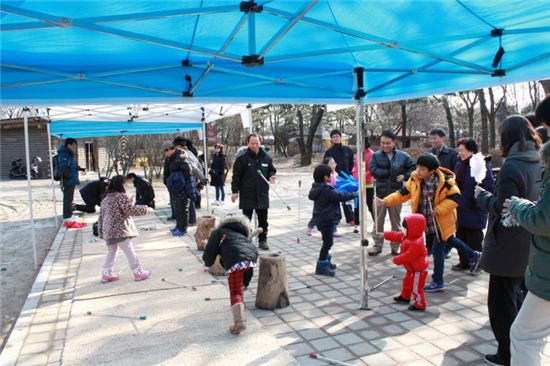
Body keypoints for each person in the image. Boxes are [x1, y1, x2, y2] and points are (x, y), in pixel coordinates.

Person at [474, 115, 542, 366]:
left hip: (507, 244)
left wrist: (482, 197)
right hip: (528, 240)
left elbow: (505, 207)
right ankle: (519, 349)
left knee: (501, 304)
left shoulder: (512, 165)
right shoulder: (538, 159)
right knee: (516, 297)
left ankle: (507, 354)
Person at [378, 153, 482, 292]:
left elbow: (455, 198)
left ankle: (438, 281)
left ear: (432, 170)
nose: (418, 171)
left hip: (441, 221)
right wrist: (386, 201)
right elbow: (402, 194)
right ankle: (474, 255)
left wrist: (438, 210)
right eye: (418, 167)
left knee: (438, 250)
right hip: (425, 221)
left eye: (422, 169)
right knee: (449, 240)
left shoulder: (445, 181)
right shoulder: (415, 179)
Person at [504, 140, 550, 366]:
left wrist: (518, 206)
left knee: (524, 336)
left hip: (547, 275)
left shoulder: (512, 166)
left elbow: (544, 220)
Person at [202, 216, 261, 334]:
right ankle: (241, 305)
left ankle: (240, 322)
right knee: (241, 284)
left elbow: (210, 249)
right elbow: (244, 250)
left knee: (235, 292)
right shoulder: (242, 233)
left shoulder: (219, 231)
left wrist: (207, 262)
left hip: (235, 261)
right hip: (251, 258)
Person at [97, 175, 153, 283]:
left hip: (109, 231)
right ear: (120, 185)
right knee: (130, 251)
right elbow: (129, 210)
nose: (127, 187)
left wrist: (101, 232)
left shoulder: (106, 199)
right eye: (125, 185)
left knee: (112, 252)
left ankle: (106, 273)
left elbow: (101, 217)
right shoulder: (121, 196)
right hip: (120, 230)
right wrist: (146, 209)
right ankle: (138, 271)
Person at [369, 130, 415, 256]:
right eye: (382, 143)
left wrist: (405, 176)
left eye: (388, 143)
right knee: (378, 222)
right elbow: (373, 170)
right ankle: (377, 245)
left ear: (394, 142)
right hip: (379, 194)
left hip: (396, 194)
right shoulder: (376, 156)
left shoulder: (403, 156)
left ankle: (396, 246)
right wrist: (389, 173)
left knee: (396, 222)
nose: (385, 145)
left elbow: (413, 168)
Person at [452, 138, 495, 271]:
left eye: (462, 151)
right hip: (460, 207)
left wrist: (477, 199)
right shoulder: (459, 165)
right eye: (459, 151)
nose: (460, 153)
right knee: (460, 236)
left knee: (474, 238)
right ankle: (464, 261)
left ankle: (477, 263)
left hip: (474, 209)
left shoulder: (481, 164)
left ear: (471, 150)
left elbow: (489, 186)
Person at [308, 164, 358, 276]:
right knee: (328, 242)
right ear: (325, 177)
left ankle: (326, 262)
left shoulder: (317, 187)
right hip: (327, 219)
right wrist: (354, 194)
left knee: (327, 241)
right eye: (330, 173)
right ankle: (321, 265)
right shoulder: (326, 189)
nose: (332, 175)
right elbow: (340, 196)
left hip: (321, 218)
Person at [231, 133, 277, 250]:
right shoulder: (242, 158)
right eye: (252, 143)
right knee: (246, 220)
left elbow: (271, 170)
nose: (255, 145)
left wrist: (272, 176)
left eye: (257, 143)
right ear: (248, 143)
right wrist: (234, 191)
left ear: (260, 143)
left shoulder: (266, 157)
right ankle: (246, 239)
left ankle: (263, 240)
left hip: (262, 194)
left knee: (263, 219)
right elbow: (236, 177)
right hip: (247, 194)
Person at [385, 214, 429, 311]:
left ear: (414, 229)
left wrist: (396, 259)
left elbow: (408, 256)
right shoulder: (408, 236)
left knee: (416, 288)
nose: (403, 230)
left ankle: (420, 304)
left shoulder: (418, 243)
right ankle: (405, 297)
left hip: (418, 271)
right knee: (407, 282)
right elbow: (396, 235)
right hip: (412, 269)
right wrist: (384, 234)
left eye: (405, 228)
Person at [324, 129, 355, 224]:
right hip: (335, 179)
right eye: (333, 137)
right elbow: (326, 165)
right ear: (331, 139)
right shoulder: (329, 152)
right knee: (335, 199)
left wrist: (350, 173)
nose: (336, 138)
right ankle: (334, 219)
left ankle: (350, 218)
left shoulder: (348, 150)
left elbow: (352, 163)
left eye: (337, 136)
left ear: (340, 137)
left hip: (346, 178)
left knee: (347, 198)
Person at [173, 136, 206, 226]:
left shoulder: (183, 153)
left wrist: (201, 179)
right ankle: (191, 221)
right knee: (189, 201)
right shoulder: (190, 152)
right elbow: (199, 165)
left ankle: (191, 221)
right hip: (191, 180)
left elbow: (195, 167)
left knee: (188, 202)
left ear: (178, 145)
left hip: (187, 180)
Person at [163, 140, 193, 237]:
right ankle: (178, 226)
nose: (164, 154)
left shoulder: (180, 157)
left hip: (183, 188)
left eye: (164, 151)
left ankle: (183, 228)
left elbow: (188, 172)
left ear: (168, 149)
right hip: (176, 188)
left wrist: (180, 181)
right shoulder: (172, 158)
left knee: (183, 208)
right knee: (178, 208)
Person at [306, 157, 339, 236]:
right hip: (324, 198)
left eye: (334, 163)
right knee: (318, 216)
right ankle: (310, 226)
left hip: (331, 196)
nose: (333, 165)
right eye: (331, 164)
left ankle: (334, 230)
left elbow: (337, 184)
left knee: (332, 214)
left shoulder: (335, 174)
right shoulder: (323, 175)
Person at [57, 137, 86, 224]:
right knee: (67, 198)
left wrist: (81, 169)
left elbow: (72, 166)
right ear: (68, 144)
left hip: (71, 179)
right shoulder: (64, 153)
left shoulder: (68, 153)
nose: (74, 147)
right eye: (73, 145)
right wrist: (68, 176)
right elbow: (63, 166)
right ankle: (67, 216)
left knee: (70, 198)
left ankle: (69, 214)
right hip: (68, 180)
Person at [352, 136, 375, 234]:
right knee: (357, 205)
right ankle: (357, 225)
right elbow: (355, 166)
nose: (358, 145)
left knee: (370, 205)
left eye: (360, 143)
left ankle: (376, 224)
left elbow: (373, 169)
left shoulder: (372, 154)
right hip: (357, 183)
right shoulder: (357, 153)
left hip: (368, 184)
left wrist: (364, 175)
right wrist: (353, 173)